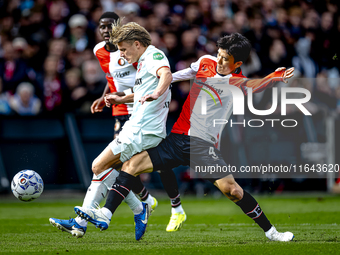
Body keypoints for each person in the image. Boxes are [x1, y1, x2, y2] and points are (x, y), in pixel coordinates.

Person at [75, 33, 295, 242]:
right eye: (218, 54)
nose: (219, 61)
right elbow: (173, 78)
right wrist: (127, 96)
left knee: (233, 191)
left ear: (237, 64)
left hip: (203, 147)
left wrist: (273, 77)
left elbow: (255, 86)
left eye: (225, 59)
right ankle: (105, 214)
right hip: (176, 139)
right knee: (130, 165)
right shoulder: (205, 62)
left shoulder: (237, 82)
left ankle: (271, 232)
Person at [49, 13, 185, 239]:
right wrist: (119, 99)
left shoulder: (153, 56)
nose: (121, 55)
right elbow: (140, 91)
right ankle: (106, 216)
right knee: (119, 170)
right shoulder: (141, 61)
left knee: (98, 166)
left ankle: (132, 209)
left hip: (141, 130)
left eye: (123, 49)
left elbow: (166, 75)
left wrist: (157, 93)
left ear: (137, 44)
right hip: (139, 127)